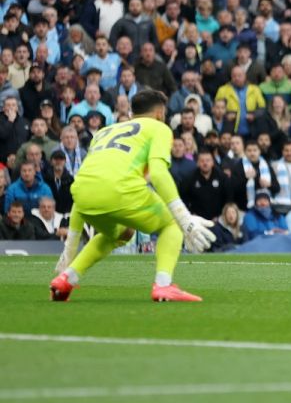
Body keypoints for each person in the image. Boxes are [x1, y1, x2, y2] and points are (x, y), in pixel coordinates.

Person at [50, 90, 217, 303]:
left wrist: (69, 250)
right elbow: (158, 173)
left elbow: (87, 182)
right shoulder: (159, 128)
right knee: (172, 223)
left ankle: (67, 279)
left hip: (82, 197)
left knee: (121, 234)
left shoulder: (103, 132)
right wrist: (183, 218)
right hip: (120, 190)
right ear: (159, 113)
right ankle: (163, 286)